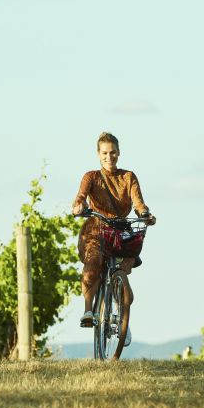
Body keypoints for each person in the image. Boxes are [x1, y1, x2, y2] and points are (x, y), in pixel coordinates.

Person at [71, 132, 157, 328]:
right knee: (93, 263)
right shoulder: (91, 177)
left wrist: (145, 214)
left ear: (119, 153)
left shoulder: (128, 177)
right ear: (98, 154)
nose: (109, 157)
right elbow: (80, 197)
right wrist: (78, 207)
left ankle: (122, 317)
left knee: (125, 266)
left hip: (119, 231)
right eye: (105, 153)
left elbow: (139, 203)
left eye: (113, 152)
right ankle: (88, 311)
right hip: (96, 229)